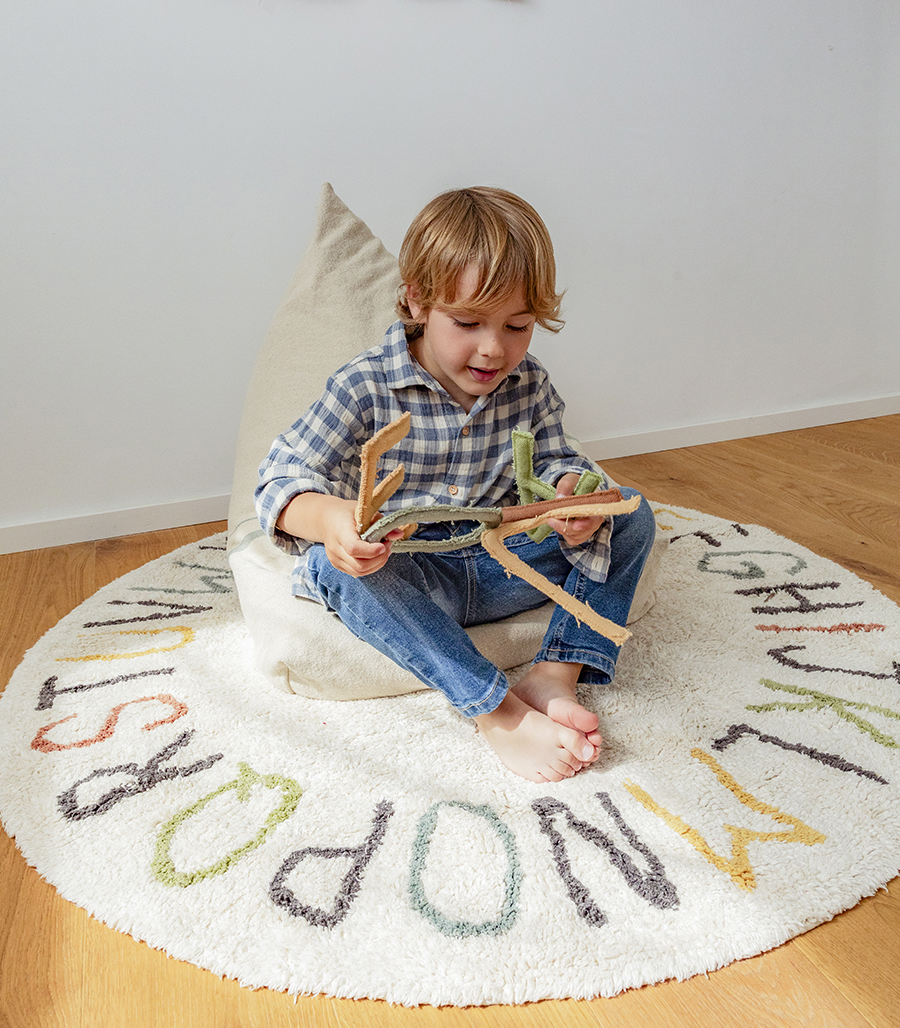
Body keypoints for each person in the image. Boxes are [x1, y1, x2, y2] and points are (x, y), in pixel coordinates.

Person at [256, 187, 655, 783]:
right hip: (410, 575)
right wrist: (331, 521)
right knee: (330, 569)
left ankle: (556, 673)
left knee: (631, 512)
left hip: (505, 568)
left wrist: (571, 496)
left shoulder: (529, 384)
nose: (494, 349)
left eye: (518, 326)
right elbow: (279, 478)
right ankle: (496, 711)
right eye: (468, 323)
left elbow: (554, 459)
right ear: (417, 300)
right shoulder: (364, 386)